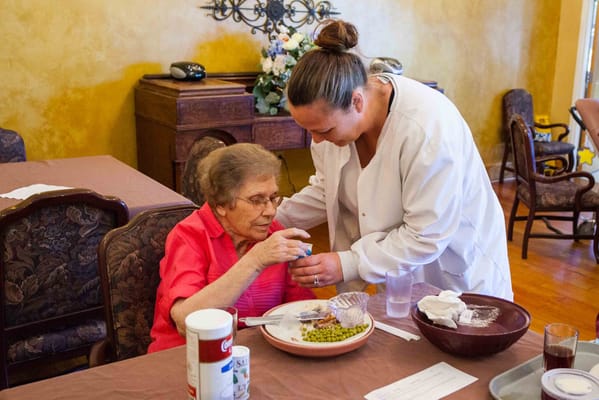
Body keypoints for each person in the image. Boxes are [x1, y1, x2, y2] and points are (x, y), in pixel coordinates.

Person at [275, 20, 513, 300]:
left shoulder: (426, 128)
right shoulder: (335, 127)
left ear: (357, 102)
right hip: (399, 272)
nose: (315, 140)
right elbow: (328, 190)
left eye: (323, 130)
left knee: (458, 329)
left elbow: (426, 235)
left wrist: (347, 263)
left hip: (455, 267)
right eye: (308, 131)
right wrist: (270, 220)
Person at [148, 143, 315, 352]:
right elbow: (186, 321)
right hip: (189, 357)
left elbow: (302, 310)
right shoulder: (189, 236)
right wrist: (255, 261)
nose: (271, 211)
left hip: (256, 354)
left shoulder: (273, 232)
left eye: (273, 198)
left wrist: (313, 274)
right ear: (221, 204)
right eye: (257, 200)